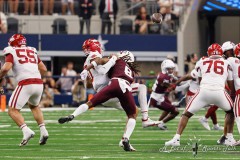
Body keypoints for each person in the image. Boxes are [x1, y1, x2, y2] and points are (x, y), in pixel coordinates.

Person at [59, 48, 138, 152]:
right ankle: (126, 138)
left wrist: (87, 68)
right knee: (132, 114)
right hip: (125, 88)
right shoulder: (131, 71)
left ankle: (73, 115)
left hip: (113, 84)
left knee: (90, 103)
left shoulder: (116, 60)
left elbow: (99, 61)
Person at [165, 43, 235, 147]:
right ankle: (229, 137)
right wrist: (232, 96)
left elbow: (198, 78)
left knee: (186, 114)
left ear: (209, 53)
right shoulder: (226, 63)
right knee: (231, 112)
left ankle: (176, 139)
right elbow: (230, 84)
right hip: (220, 92)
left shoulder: (202, 61)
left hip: (203, 91)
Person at [0, 34, 49, 146]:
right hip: (38, 82)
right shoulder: (32, 50)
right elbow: (44, 69)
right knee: (34, 106)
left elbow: (6, 68)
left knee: (12, 110)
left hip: (26, 83)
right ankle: (43, 131)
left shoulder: (11, 50)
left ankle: (26, 131)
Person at [148, 59, 179, 130]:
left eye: (172, 69)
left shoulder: (166, 75)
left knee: (169, 109)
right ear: (165, 68)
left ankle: (158, 123)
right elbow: (172, 86)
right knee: (176, 111)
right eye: (169, 69)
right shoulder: (163, 77)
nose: (171, 70)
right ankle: (161, 123)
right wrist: (176, 83)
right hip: (157, 99)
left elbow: (174, 83)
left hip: (160, 97)